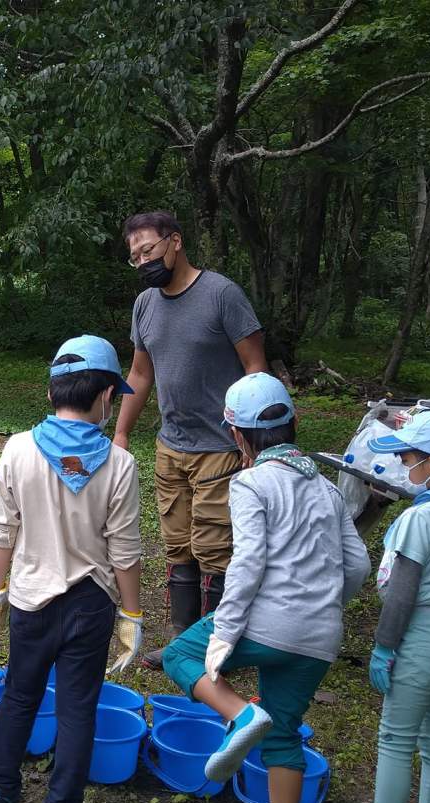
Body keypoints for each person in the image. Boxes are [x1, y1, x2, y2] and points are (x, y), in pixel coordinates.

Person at [161, 372, 370, 803]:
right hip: (320, 636)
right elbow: (359, 564)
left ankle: (240, 717)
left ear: (238, 435)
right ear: (294, 424)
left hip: (267, 623)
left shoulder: (251, 481)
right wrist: (326, 606)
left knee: (179, 654)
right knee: (283, 738)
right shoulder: (328, 489)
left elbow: (248, 561)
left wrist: (224, 633)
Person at [0, 335, 143, 803]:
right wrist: (131, 615)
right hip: (90, 606)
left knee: (19, 696)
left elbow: (2, 532)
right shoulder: (120, 464)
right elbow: (125, 553)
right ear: (109, 396)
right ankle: (62, 801)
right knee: (77, 710)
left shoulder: (17, 449)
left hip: (30, 598)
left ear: (51, 393)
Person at [112, 210, 267, 668]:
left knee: (215, 547)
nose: (143, 262)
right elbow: (140, 374)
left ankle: (217, 645)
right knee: (178, 545)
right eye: (135, 257)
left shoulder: (222, 295)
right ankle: (183, 642)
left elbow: (257, 367)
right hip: (171, 445)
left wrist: (253, 443)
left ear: (175, 242)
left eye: (149, 251)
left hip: (223, 444)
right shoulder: (146, 306)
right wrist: (121, 432)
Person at [366, 409, 430, 803]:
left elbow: (403, 590)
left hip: (421, 635)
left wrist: (384, 646)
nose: (403, 465)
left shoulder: (421, 517)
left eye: (408, 459)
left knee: (395, 740)